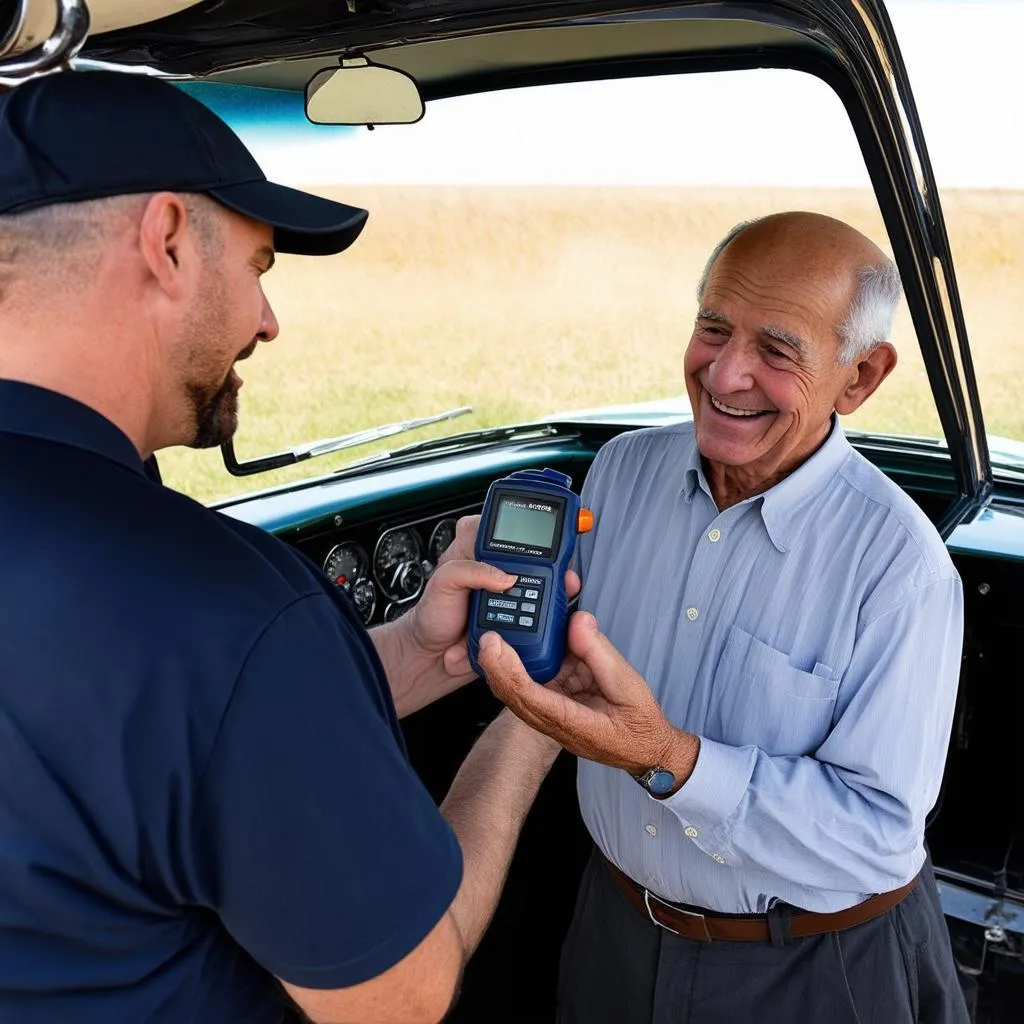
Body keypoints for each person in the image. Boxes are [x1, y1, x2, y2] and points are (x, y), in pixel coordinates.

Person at [0, 70, 571, 1024]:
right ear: (170, 242)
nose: (268, 321)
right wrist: (527, 733)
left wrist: (414, 654)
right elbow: (404, 994)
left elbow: (146, 750)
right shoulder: (225, 608)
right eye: (261, 266)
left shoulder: (221, 640)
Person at [476, 212, 970, 1022]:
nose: (725, 373)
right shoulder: (620, 472)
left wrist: (668, 758)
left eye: (777, 351)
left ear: (860, 377)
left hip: (817, 966)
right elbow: (564, 658)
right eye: (713, 328)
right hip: (615, 929)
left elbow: (878, 834)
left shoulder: (899, 566)